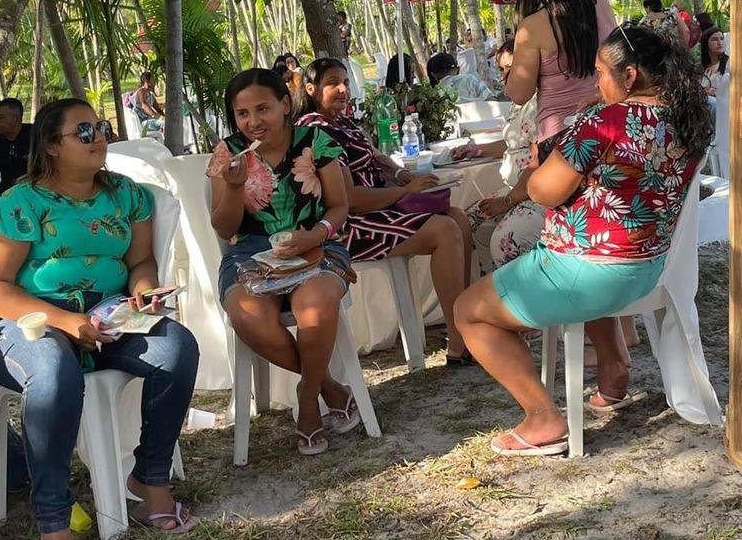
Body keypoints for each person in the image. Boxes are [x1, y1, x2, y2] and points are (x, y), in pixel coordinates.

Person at [454, 24, 712, 455]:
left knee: (468, 312)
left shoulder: (604, 122)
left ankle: (542, 417)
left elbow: (542, 191)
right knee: (586, 248)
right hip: (646, 269)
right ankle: (613, 373)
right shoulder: (690, 116)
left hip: (586, 272)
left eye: (599, 73)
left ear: (628, 77)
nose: (596, 82)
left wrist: (570, 140)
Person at [0, 98, 200, 540]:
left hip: (104, 320)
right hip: (25, 321)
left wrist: (143, 293)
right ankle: (54, 521)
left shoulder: (126, 195)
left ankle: (149, 481)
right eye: (83, 131)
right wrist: (62, 321)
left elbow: (140, 263)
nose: (97, 136)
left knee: (177, 347)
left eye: (99, 127)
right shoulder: (21, 204)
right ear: (52, 147)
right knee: (54, 371)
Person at [211, 69, 360, 455]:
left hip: (317, 243)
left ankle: (307, 401)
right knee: (247, 316)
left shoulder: (315, 140)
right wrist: (232, 187)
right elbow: (225, 228)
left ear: (285, 104)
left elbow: (340, 205)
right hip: (249, 252)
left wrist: (315, 235)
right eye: (242, 114)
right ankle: (326, 386)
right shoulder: (229, 152)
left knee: (314, 306)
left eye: (263, 109)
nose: (253, 121)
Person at [298, 59, 478, 366]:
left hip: (378, 210)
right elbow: (349, 200)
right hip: (350, 226)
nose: (342, 89)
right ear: (311, 89)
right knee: (445, 230)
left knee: (458, 217)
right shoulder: (316, 132)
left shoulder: (344, 123)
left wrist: (402, 176)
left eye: (345, 82)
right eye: (332, 83)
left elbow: (378, 156)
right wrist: (406, 191)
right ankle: (461, 340)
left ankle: (467, 324)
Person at [503, 0, 618, 152]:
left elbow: (519, 95)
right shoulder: (601, 6)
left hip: (560, 136)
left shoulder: (532, 26)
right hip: (605, 126)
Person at [454, 41, 544, 266]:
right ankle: (487, 290)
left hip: (535, 193)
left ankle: (513, 295)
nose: (505, 76)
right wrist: (476, 149)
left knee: (503, 242)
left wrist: (507, 201)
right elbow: (513, 143)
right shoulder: (520, 102)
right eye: (501, 69)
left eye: (511, 68)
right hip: (513, 189)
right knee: (465, 222)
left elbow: (539, 159)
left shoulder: (544, 103)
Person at [0, 97, 34, 216]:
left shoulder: (36, 135)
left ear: (16, 119)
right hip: (6, 193)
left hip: (35, 193)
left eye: (1, 118)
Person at [427, 51, 496, 101]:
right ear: (457, 69)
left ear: (434, 75)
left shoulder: (433, 95)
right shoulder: (470, 79)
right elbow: (491, 99)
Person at [133, 72, 164, 137]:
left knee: (167, 123)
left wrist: (165, 115)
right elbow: (144, 106)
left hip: (150, 120)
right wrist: (156, 116)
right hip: (144, 123)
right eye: (153, 80)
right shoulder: (141, 91)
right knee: (163, 124)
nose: (154, 83)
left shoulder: (150, 94)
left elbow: (157, 109)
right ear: (147, 81)